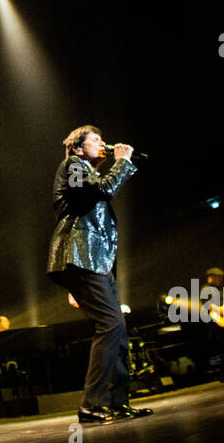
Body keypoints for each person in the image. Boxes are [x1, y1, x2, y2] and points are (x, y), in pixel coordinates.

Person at [48, 125, 151, 424]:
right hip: (82, 258)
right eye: (96, 140)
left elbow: (96, 192)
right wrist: (122, 163)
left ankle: (117, 402)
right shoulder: (72, 165)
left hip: (96, 262)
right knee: (109, 324)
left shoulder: (85, 170)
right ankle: (91, 405)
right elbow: (93, 194)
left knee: (116, 327)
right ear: (78, 148)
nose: (104, 143)